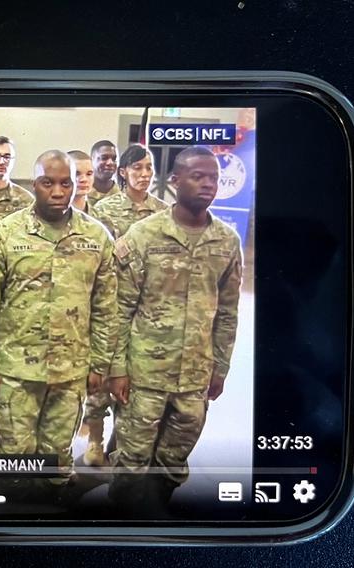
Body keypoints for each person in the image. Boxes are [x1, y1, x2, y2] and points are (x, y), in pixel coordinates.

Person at [0, 150, 117, 503]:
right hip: (15, 371)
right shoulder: (6, 234)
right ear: (33, 184)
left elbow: (105, 306)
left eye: (65, 183)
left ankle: (51, 525)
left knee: (57, 456)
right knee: (15, 457)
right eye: (47, 183)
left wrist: (100, 364)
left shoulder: (96, 237)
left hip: (70, 371)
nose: (57, 191)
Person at [107, 146, 243, 513]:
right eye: (198, 176)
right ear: (174, 181)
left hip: (195, 377)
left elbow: (228, 312)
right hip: (143, 375)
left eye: (213, 177)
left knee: (173, 461)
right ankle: (117, 529)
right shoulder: (143, 236)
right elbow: (120, 309)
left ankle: (155, 523)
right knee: (131, 461)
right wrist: (116, 369)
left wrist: (221, 367)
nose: (207, 184)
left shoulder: (227, 242)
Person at [81, 144, 169, 466]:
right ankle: (94, 439)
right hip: (109, 301)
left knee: (134, 374)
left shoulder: (162, 211)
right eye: (137, 169)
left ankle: (121, 440)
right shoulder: (103, 209)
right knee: (101, 376)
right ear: (123, 172)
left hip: (146, 305)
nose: (144, 175)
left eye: (149, 168)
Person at [86, 140, 119, 206]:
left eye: (114, 159)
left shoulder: (124, 195)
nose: (110, 163)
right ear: (91, 160)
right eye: (104, 158)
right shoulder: (81, 194)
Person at [67, 150, 95, 215]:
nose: (84, 179)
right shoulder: (50, 218)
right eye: (76, 174)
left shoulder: (102, 219)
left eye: (89, 174)